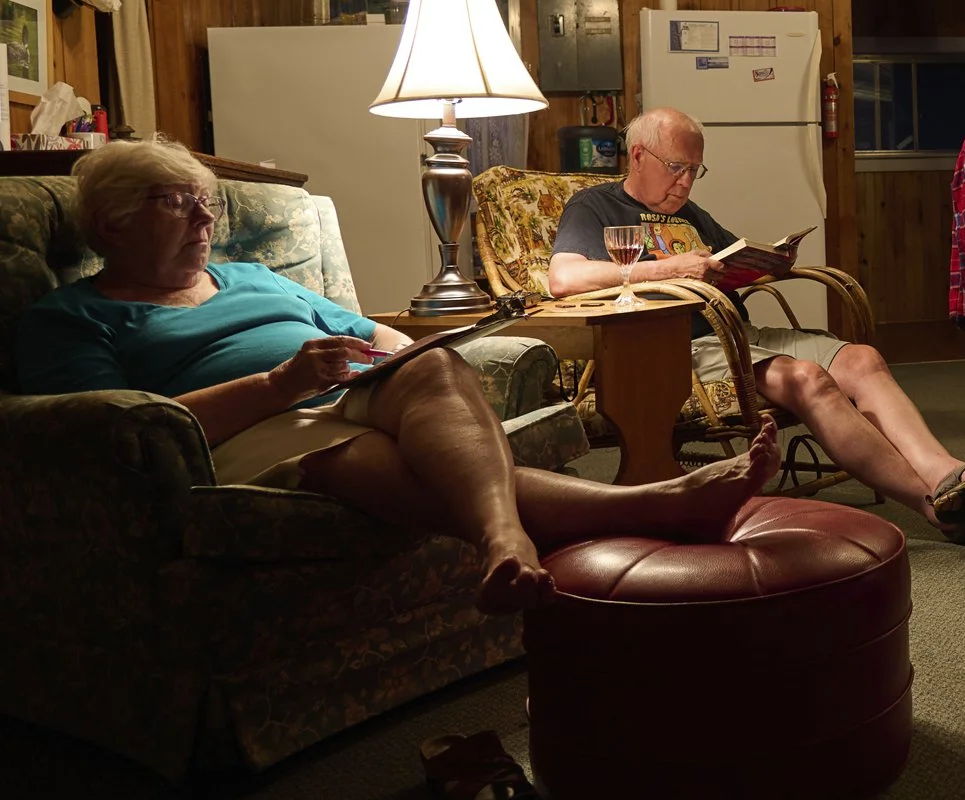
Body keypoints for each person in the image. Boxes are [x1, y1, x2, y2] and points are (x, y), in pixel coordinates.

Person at [14, 140, 778, 616]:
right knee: (380, 461)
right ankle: (645, 506)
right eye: (176, 204)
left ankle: (506, 535)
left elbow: (369, 332)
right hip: (252, 427)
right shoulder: (73, 316)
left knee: (433, 363)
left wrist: (403, 360)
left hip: (345, 391)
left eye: (205, 203)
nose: (204, 219)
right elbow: (117, 431)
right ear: (112, 221)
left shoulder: (249, 275)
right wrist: (275, 386)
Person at [547, 107, 965, 544]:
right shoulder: (595, 206)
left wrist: (769, 262)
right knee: (808, 378)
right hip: (677, 348)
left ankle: (951, 474)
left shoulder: (689, 213)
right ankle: (937, 508)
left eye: (695, 170)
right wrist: (666, 269)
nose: (687, 182)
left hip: (736, 333)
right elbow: (563, 278)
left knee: (862, 359)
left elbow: (728, 260)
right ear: (638, 156)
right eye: (677, 167)